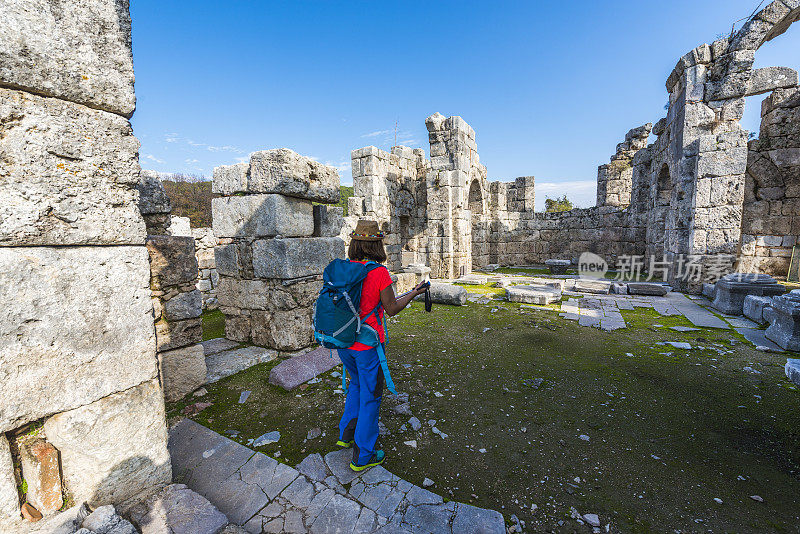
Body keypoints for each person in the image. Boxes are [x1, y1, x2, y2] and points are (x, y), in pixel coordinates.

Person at [336, 219, 428, 471]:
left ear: (355, 243)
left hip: (344, 343)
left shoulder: (344, 269)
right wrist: (414, 293)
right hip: (368, 346)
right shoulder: (378, 273)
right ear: (377, 245)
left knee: (355, 385)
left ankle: (346, 434)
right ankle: (364, 455)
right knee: (371, 396)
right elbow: (392, 308)